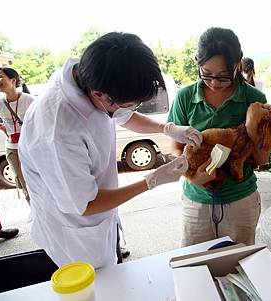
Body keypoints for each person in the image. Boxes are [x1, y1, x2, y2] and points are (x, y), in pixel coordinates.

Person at [18, 32, 202, 269]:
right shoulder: (57, 130)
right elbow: (86, 204)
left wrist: (168, 128)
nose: (131, 109)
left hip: (102, 217)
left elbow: (123, 115)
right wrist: (152, 180)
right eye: (129, 103)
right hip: (76, 234)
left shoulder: (92, 76)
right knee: (95, 287)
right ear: (98, 95)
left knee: (113, 267)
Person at [168, 27, 270, 247]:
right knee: (195, 267)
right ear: (197, 63)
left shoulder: (254, 99)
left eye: (223, 76)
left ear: (237, 64)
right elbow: (176, 149)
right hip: (196, 201)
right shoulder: (185, 97)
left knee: (239, 267)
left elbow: (262, 159)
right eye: (206, 74)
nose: (214, 82)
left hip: (241, 200)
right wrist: (191, 175)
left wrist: (253, 130)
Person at [0, 67, 34, 204]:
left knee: (38, 181)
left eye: (0, 77)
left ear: (13, 80)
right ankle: (35, 213)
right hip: (12, 149)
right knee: (24, 184)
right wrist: (1, 127)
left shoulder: (30, 100)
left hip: (30, 148)